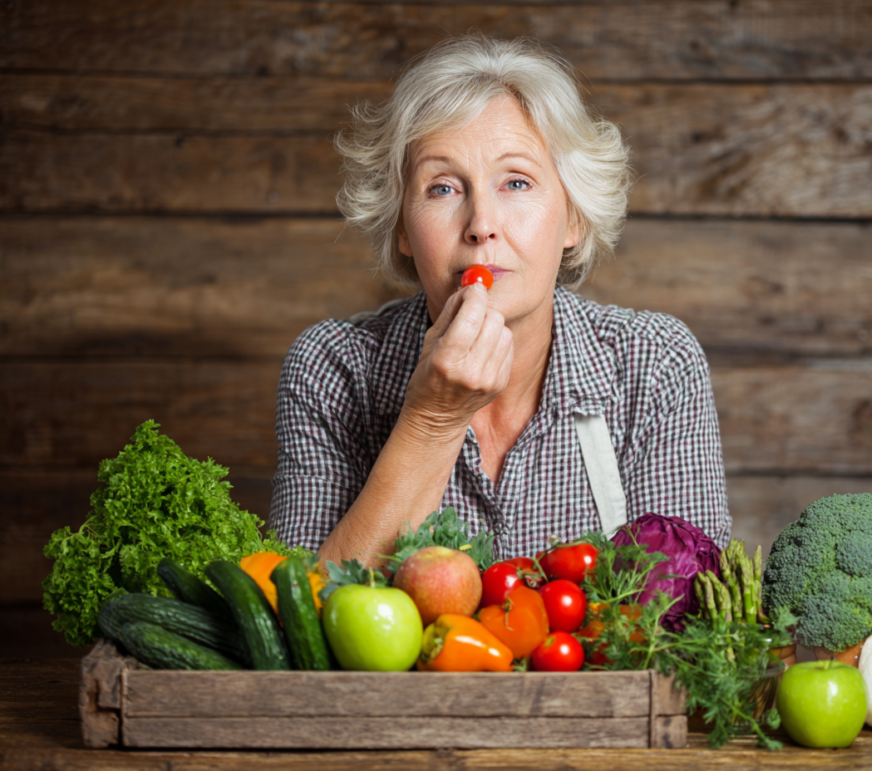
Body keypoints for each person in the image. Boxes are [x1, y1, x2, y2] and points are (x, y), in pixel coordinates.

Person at [269, 34, 730, 567]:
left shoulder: (654, 362)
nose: (481, 226)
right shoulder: (332, 370)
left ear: (573, 217)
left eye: (516, 182)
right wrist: (431, 420)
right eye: (443, 188)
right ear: (401, 228)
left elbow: (688, 624)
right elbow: (300, 621)